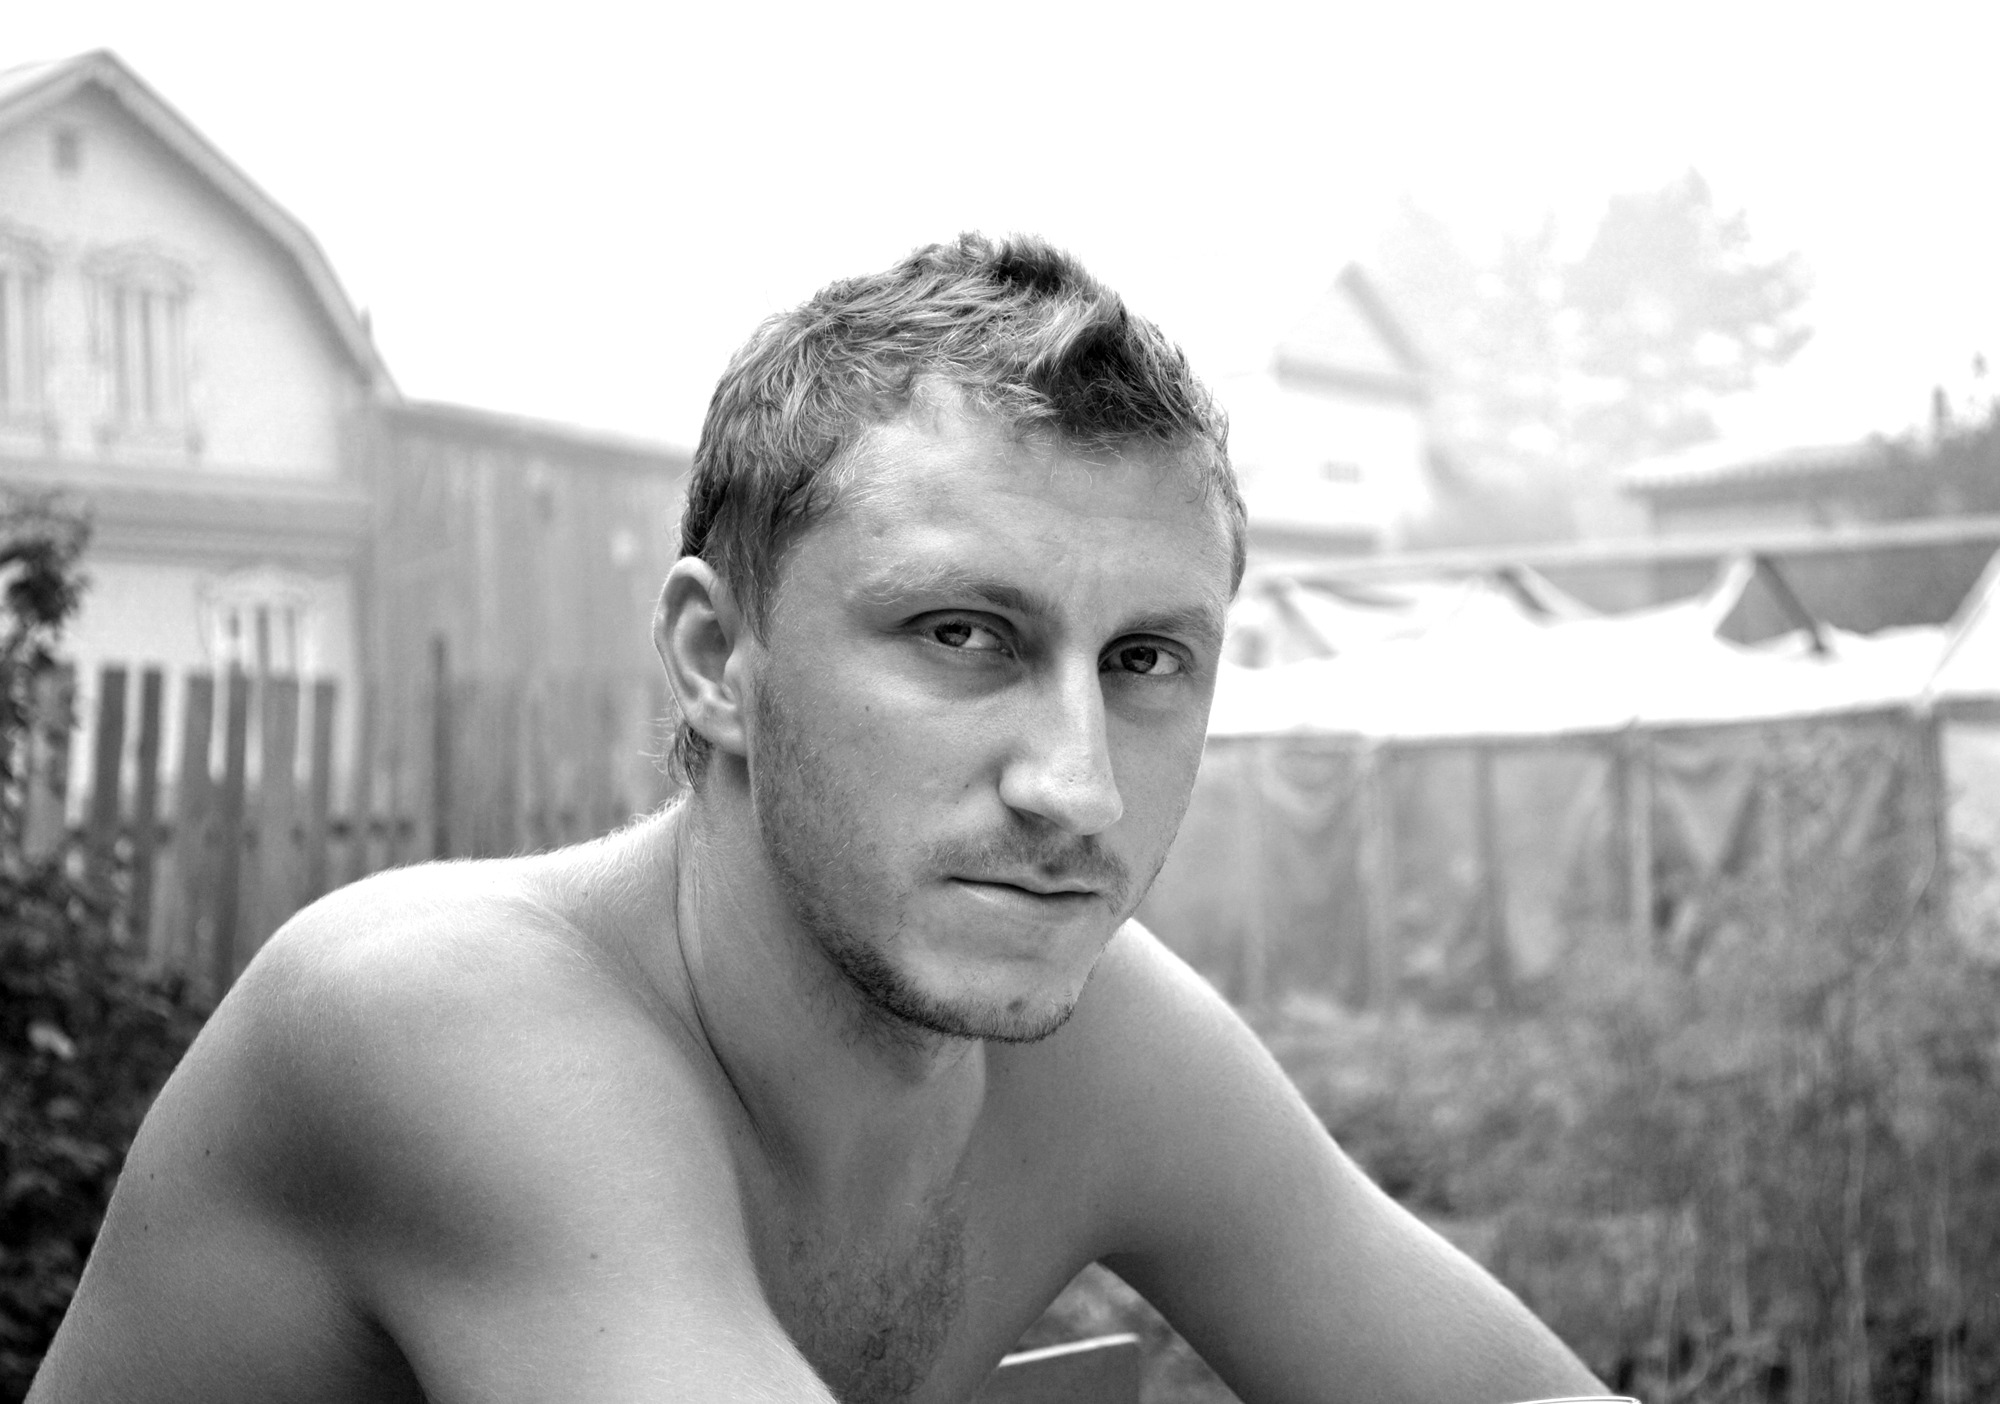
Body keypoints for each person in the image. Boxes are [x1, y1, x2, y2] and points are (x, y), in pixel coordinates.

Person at [30, 234, 1609, 1404]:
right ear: (715, 659)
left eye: (1143, 661)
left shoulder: (1105, 1048)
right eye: (962, 635)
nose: (1077, 787)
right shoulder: (434, 1020)